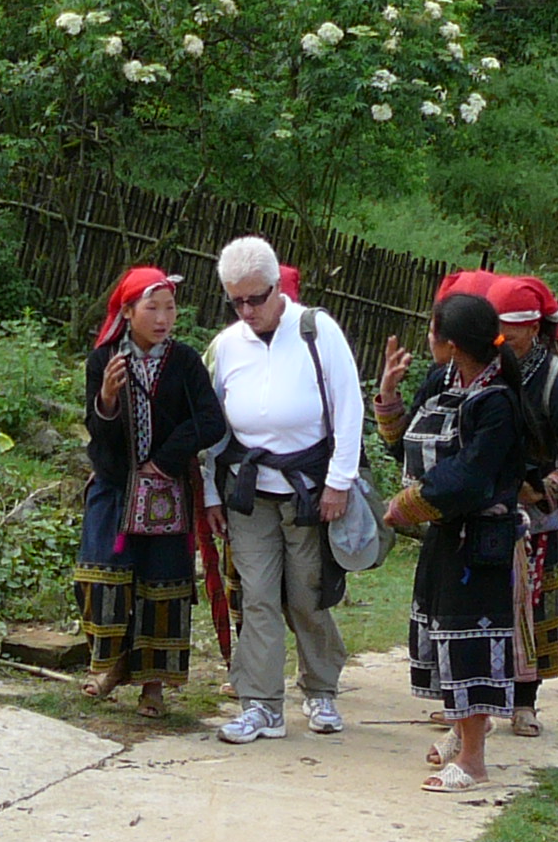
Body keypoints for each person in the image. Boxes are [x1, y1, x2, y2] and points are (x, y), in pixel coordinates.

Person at [202, 235, 364, 743]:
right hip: (249, 491)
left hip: (309, 489)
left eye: (257, 298)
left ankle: (321, 688)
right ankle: (261, 703)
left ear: (278, 288)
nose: (248, 310)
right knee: (257, 596)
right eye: (237, 301)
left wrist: (339, 482)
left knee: (307, 593)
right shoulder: (226, 347)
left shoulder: (318, 331)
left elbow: (348, 408)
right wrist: (210, 494)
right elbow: (214, 431)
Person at [380, 290, 525, 792]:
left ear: (454, 343)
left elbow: (471, 476)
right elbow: (403, 442)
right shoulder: (444, 380)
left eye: (432, 330)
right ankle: (462, 738)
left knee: (470, 639)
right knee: (444, 634)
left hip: (479, 540)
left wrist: (408, 504)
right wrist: (390, 397)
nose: (427, 339)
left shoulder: (498, 402)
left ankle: (475, 761)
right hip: (445, 534)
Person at [79, 266, 227, 718]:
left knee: (162, 585)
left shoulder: (184, 363)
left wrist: (164, 459)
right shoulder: (103, 361)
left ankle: (154, 686)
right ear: (127, 311)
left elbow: (210, 420)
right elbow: (95, 430)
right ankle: (111, 664)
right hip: (115, 488)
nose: (164, 318)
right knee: (100, 577)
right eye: (152, 307)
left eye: (169, 308)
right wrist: (106, 401)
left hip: (166, 493)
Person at [489, 273, 558, 736]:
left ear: (532, 330)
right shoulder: (483, 369)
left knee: (532, 611)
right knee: (482, 607)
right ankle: (473, 699)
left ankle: (525, 703)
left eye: (507, 330)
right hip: (486, 511)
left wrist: (541, 491)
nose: (498, 337)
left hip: (536, 519)